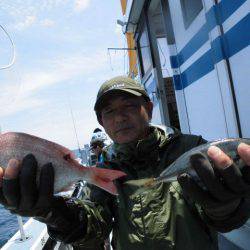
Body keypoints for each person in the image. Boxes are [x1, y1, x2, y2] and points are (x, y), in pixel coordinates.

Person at [1, 76, 250, 250]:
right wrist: (50, 211)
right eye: (109, 112)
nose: (119, 117)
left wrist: (227, 207)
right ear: (102, 121)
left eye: (130, 106)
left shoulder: (191, 148)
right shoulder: (105, 166)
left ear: (149, 109)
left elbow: (227, 220)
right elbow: (94, 227)